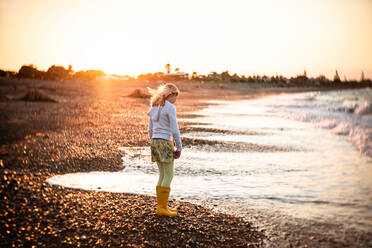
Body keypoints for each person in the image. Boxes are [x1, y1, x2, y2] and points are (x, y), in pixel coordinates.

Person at [147, 83, 182, 217]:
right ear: (171, 94)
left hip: (155, 141)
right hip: (165, 141)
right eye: (175, 96)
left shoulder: (154, 106)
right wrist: (179, 147)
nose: (175, 100)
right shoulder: (170, 107)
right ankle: (162, 208)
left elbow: (150, 128)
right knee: (169, 175)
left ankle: (162, 207)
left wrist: (153, 140)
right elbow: (174, 129)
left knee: (162, 174)